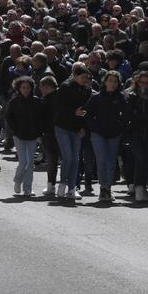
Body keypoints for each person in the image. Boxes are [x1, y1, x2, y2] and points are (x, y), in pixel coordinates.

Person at [86, 71, 128, 202]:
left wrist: (120, 127)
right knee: (101, 160)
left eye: (115, 81)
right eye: (110, 80)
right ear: (105, 82)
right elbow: (87, 115)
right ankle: (102, 187)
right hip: (98, 133)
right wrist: (94, 128)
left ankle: (108, 188)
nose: (113, 84)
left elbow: (126, 115)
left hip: (114, 134)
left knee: (111, 161)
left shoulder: (121, 98)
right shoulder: (96, 97)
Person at [54, 62, 93, 200]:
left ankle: (72, 188)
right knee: (68, 157)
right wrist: (73, 112)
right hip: (63, 127)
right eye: (82, 77)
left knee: (76, 159)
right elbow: (58, 107)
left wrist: (83, 128)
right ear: (75, 76)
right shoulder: (65, 87)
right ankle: (62, 184)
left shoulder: (87, 90)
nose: (84, 80)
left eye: (86, 77)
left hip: (77, 130)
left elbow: (86, 111)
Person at [126, 70, 148, 202]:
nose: (145, 85)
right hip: (135, 132)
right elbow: (131, 115)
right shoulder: (132, 96)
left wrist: (143, 116)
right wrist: (145, 116)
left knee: (147, 160)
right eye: (142, 82)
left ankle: (140, 184)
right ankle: (138, 187)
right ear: (138, 83)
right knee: (139, 157)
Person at [5, 76, 41, 197]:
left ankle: (27, 189)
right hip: (19, 136)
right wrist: (15, 129)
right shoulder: (14, 102)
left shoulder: (36, 101)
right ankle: (17, 180)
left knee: (30, 163)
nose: (26, 90)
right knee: (23, 162)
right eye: (23, 87)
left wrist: (38, 133)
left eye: (28, 87)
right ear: (19, 88)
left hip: (32, 136)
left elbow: (41, 119)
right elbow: (8, 117)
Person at [37, 75, 60, 196]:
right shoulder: (60, 97)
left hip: (50, 133)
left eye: (41, 86)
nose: (40, 88)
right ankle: (66, 186)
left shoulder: (46, 100)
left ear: (46, 86)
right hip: (61, 132)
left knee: (52, 160)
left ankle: (51, 185)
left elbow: (42, 118)